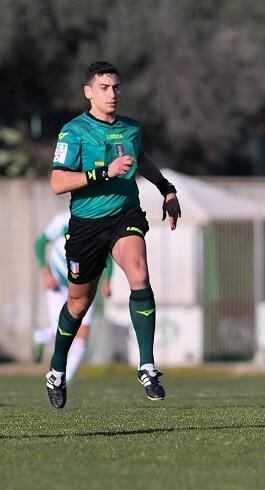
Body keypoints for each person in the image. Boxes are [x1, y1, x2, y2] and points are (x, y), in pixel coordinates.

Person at [46, 61, 181, 409]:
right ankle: (57, 370)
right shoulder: (73, 131)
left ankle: (147, 365)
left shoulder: (131, 129)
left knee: (138, 270)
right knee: (78, 303)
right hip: (86, 226)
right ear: (88, 92)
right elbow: (58, 182)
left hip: (125, 214)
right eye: (104, 88)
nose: (112, 94)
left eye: (116, 87)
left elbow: (142, 159)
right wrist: (103, 172)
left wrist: (167, 190)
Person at [33, 210, 113, 379]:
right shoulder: (62, 220)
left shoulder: (99, 219)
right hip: (59, 284)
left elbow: (105, 254)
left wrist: (106, 280)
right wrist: (45, 272)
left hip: (84, 283)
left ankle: (64, 380)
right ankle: (41, 337)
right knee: (62, 328)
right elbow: (40, 243)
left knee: (82, 334)